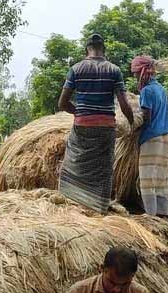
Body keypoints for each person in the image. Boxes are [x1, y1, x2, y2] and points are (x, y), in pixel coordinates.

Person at [58, 33, 135, 214]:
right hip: (105, 127)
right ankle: (98, 209)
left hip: (82, 125)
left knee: (75, 164)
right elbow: (124, 105)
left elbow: (62, 103)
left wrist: (78, 111)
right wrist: (132, 123)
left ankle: (72, 205)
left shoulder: (76, 69)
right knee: (102, 169)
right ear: (104, 50)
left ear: (87, 49)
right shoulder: (114, 70)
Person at [131, 56, 168, 218]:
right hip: (164, 137)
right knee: (160, 177)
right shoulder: (160, 88)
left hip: (151, 138)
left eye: (135, 73)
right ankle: (163, 213)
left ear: (141, 72)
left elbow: (146, 116)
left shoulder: (147, 91)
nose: (134, 77)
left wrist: (133, 126)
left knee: (147, 177)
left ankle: (151, 215)